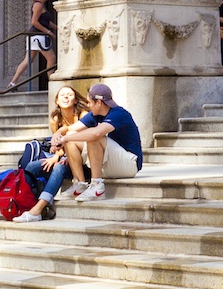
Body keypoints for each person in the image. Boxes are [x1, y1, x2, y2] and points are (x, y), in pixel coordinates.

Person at [13, 83, 141, 221]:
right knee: (73, 137)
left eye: (89, 102)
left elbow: (96, 133)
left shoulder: (119, 114)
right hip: (109, 164)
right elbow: (71, 129)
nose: (88, 105)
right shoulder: (95, 115)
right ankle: (79, 184)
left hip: (129, 164)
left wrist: (65, 138)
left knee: (93, 136)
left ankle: (97, 185)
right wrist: (60, 134)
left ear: (98, 102)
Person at [10, 0, 57, 89]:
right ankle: (52, 82)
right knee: (52, 58)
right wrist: (48, 32)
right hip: (38, 35)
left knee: (28, 60)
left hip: (33, 36)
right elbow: (34, 22)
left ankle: (13, 83)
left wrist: (56, 27)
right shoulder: (39, 5)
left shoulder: (39, 5)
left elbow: (45, 21)